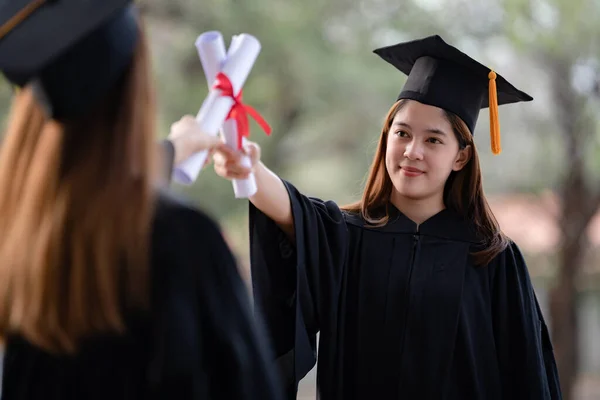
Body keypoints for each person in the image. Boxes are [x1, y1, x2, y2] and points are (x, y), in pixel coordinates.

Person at [206, 35, 563, 399]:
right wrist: (248, 168)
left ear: (461, 157)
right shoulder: (346, 238)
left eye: (433, 140)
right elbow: (289, 207)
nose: (412, 151)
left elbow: (526, 377)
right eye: (402, 133)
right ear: (386, 138)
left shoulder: (492, 259)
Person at [0, 1, 282, 399]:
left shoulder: (16, 231)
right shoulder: (179, 240)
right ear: (134, 91)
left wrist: (175, 149)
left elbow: (82, 183)